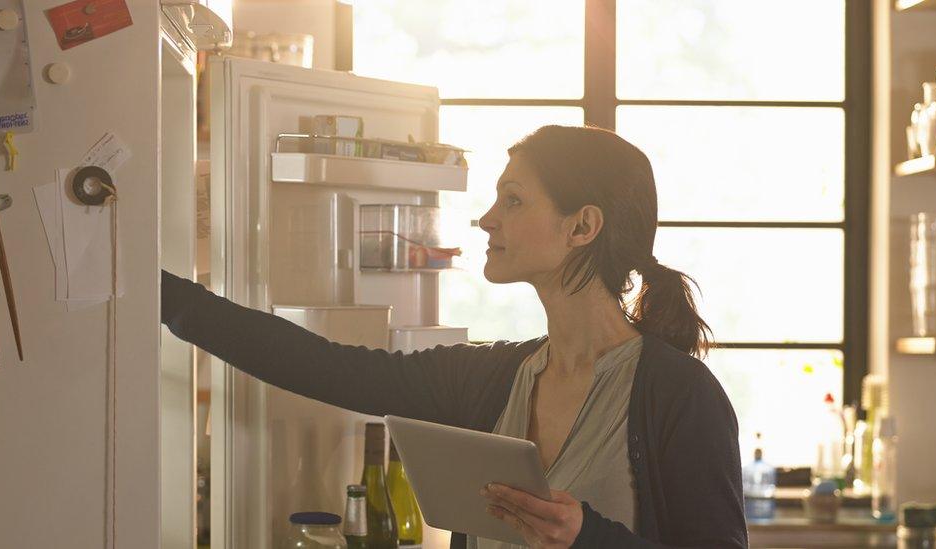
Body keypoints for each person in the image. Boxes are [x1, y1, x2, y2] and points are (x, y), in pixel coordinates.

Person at [161, 125, 747, 548]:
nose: (487, 218)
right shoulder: (489, 378)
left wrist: (588, 538)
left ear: (582, 226)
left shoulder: (678, 395)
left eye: (513, 200)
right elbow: (322, 365)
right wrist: (160, 294)